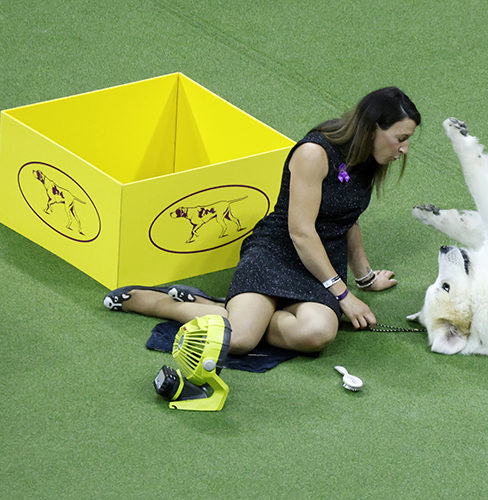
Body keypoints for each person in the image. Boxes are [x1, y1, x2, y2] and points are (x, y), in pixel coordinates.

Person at [104, 87, 421, 356]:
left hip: (320, 265)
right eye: (401, 138)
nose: (404, 149)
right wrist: (343, 295)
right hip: (279, 251)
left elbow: (349, 220)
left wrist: (365, 278)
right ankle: (162, 304)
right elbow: (300, 233)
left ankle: (226, 310)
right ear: (372, 128)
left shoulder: (370, 158)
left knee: (316, 334)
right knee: (239, 340)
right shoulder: (315, 152)